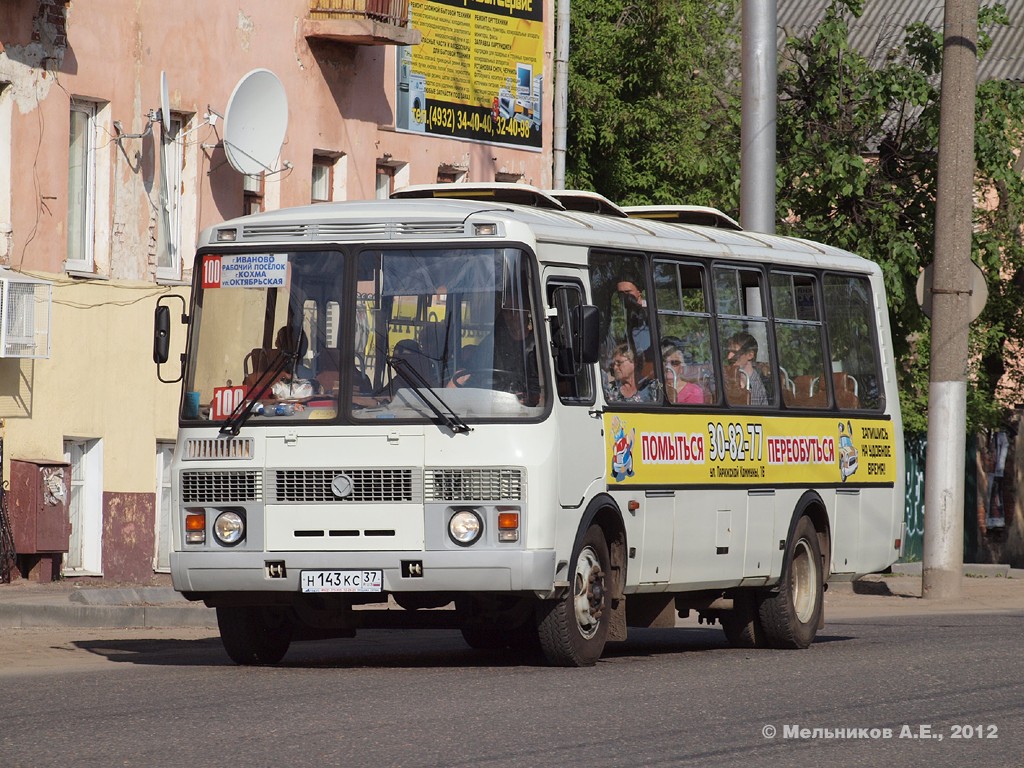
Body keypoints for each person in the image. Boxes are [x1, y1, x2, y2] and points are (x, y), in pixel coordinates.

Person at [726, 331, 768, 405]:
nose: (729, 357)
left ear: (750, 355)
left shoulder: (756, 387)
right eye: (728, 352)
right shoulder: (728, 378)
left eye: (735, 352)